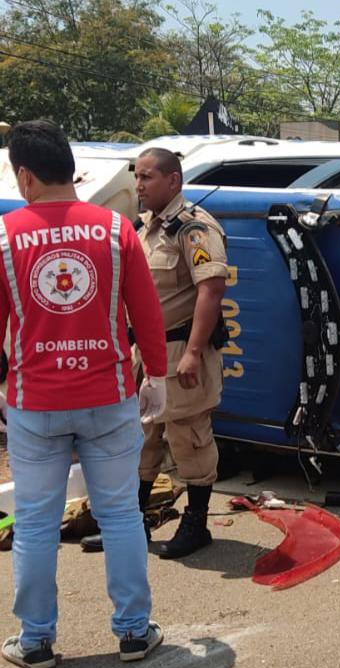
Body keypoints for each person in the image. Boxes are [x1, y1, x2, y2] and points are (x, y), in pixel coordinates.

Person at [0, 120, 167, 668]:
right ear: (71, 168)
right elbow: (146, 314)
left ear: (24, 175)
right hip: (109, 394)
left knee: (36, 522)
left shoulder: (5, 238)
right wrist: (157, 379)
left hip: (35, 403)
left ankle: (36, 642)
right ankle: (134, 633)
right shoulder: (118, 231)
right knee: (120, 514)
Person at [80, 148, 228, 560]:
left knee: (188, 438)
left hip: (181, 349)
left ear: (173, 181)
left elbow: (211, 290)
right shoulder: (141, 229)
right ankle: (132, 525)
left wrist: (195, 352)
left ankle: (196, 524)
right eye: (137, 176)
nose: (139, 186)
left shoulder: (194, 229)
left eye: (147, 177)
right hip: (142, 350)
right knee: (138, 437)